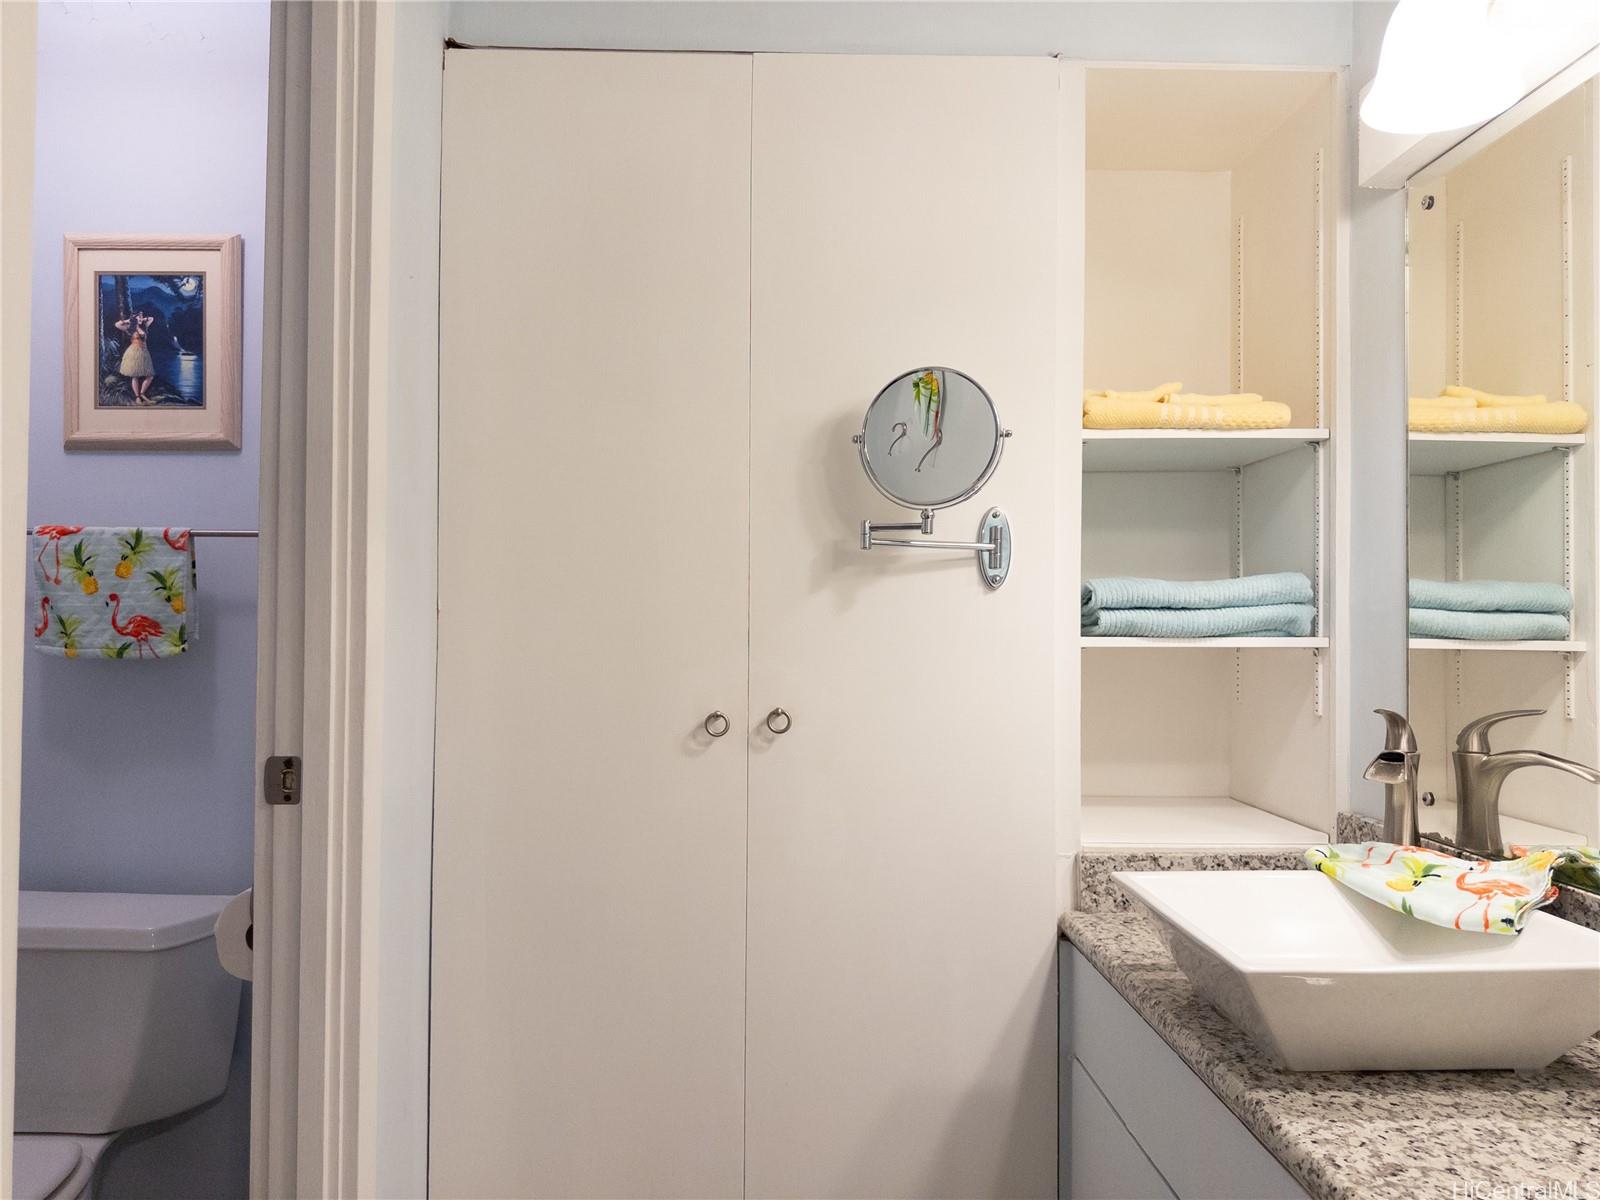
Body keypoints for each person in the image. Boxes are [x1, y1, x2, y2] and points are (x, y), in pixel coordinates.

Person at [113, 310, 156, 404]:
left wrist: (142, 319)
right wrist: (130, 320)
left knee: (150, 376)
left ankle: (142, 394)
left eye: (142, 316)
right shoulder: (129, 328)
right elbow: (117, 324)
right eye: (139, 316)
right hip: (133, 352)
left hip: (144, 352)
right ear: (134, 318)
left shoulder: (144, 326)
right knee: (135, 375)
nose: (141, 318)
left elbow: (152, 318)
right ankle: (137, 397)